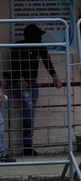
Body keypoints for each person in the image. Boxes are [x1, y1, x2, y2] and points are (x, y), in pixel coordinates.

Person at [10, 24, 63, 158]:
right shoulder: (19, 46)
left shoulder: (39, 47)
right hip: (20, 83)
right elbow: (15, 63)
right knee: (28, 112)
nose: (40, 38)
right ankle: (27, 146)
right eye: (38, 35)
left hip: (32, 83)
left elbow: (47, 62)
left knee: (30, 112)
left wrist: (55, 78)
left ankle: (28, 145)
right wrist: (21, 78)